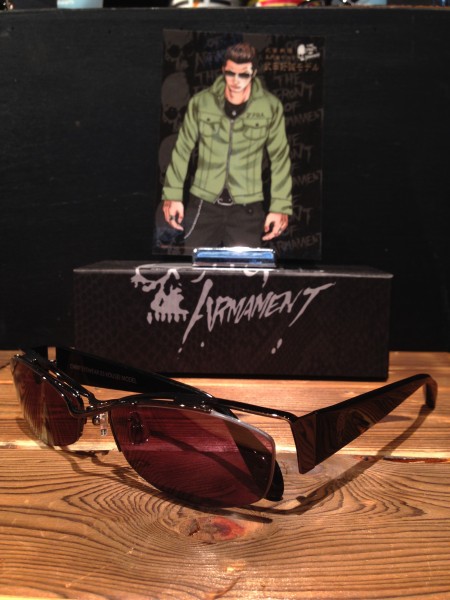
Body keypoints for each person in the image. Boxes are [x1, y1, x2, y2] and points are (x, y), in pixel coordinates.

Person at [161, 42, 293, 249]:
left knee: (246, 268)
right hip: (203, 203)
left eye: (244, 75)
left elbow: (280, 157)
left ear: (254, 73)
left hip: (247, 208)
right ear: (223, 70)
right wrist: (173, 195)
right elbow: (182, 148)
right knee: (192, 265)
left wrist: (280, 206)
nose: (236, 81)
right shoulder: (201, 102)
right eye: (231, 73)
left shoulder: (270, 106)